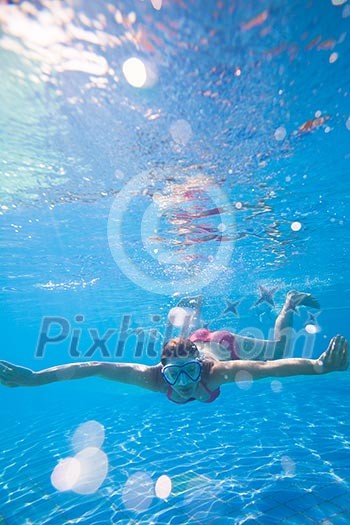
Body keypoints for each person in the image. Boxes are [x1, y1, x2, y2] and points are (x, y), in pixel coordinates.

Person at [0, 291, 348, 404]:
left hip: (220, 345)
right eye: (175, 373)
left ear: (201, 367)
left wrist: (319, 365)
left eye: (189, 372)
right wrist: (34, 378)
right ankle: (192, 309)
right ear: (160, 369)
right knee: (190, 335)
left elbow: (273, 369)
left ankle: (288, 304)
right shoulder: (158, 376)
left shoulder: (218, 371)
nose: (182, 381)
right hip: (194, 344)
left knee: (279, 349)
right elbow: (94, 366)